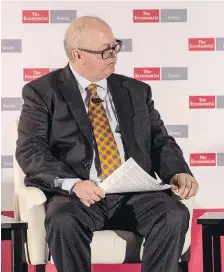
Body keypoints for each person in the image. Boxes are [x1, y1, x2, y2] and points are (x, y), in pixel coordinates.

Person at [15, 16, 199, 272]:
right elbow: (30, 151)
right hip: (79, 195)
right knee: (63, 221)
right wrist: (74, 184)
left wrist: (177, 171)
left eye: (115, 47)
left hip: (134, 193)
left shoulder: (135, 90)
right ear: (78, 55)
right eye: (105, 51)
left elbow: (159, 140)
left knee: (173, 214)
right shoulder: (42, 92)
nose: (113, 55)